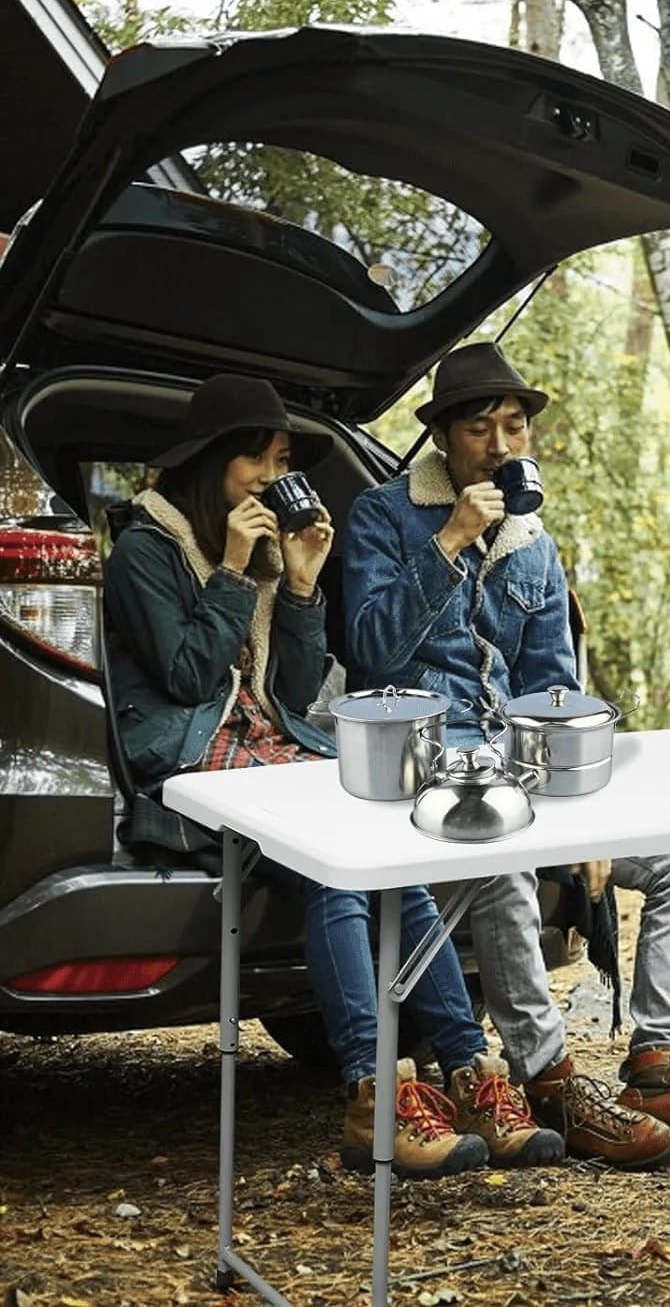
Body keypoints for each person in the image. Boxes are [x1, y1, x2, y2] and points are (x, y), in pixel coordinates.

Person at [104, 373, 562, 1179]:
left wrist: (305, 583)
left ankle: (469, 1070)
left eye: (284, 462)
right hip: (186, 749)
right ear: (221, 463)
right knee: (339, 870)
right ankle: (373, 1092)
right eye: (269, 461)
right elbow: (186, 677)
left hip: (266, 738)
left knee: (385, 853)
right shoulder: (149, 547)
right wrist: (238, 571)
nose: (280, 480)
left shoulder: (263, 548)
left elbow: (288, 689)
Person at [344, 342, 670, 1169]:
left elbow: (554, 694)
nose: (500, 446)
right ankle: (550, 1080)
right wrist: (453, 540)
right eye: (479, 427)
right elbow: (370, 655)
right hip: (429, 772)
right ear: (443, 439)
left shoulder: (534, 543)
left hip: (524, 773)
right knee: (502, 858)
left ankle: (654, 1064)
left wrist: (589, 819)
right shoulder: (383, 517)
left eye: (515, 426)